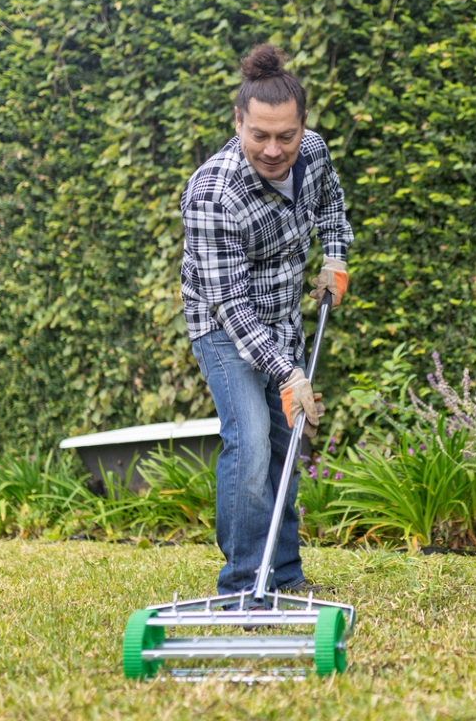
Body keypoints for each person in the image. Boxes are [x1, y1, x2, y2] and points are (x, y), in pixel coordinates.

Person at [180, 44, 353, 597]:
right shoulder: (214, 192)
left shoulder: (314, 154)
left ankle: (282, 575)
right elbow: (230, 305)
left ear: (303, 126)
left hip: (282, 319)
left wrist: (334, 257)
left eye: (286, 135)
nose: (274, 149)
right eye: (260, 136)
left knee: (286, 443)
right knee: (251, 444)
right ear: (239, 122)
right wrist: (289, 373)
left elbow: (331, 203)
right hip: (224, 328)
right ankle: (240, 583)